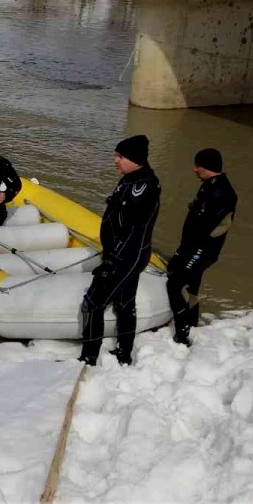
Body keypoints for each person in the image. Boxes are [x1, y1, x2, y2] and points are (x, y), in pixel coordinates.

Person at [78, 135, 161, 366]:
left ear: (135, 159)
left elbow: (135, 229)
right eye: (116, 155)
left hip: (128, 256)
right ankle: (124, 353)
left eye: (120, 156)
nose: (115, 160)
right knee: (125, 303)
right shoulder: (128, 180)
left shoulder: (145, 186)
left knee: (93, 301)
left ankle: (89, 356)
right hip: (120, 254)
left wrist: (112, 259)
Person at [166, 148, 237, 347]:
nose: (194, 169)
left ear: (208, 167)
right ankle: (192, 324)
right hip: (193, 247)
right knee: (191, 285)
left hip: (203, 249)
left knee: (175, 283)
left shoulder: (222, 192)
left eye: (198, 166)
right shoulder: (208, 186)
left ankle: (182, 334)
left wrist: (186, 251)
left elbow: (207, 228)